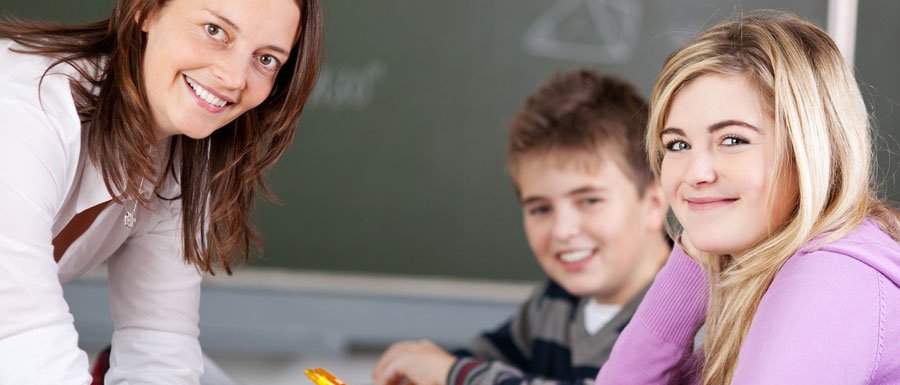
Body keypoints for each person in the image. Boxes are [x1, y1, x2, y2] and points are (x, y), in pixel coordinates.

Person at [0, 0, 322, 383]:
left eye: (266, 59)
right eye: (214, 30)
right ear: (146, 10)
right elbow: (21, 327)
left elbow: (158, 346)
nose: (235, 78)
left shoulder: (181, 155)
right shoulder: (25, 104)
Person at [594, 11, 900, 385]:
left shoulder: (831, 279)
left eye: (733, 140)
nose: (694, 173)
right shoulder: (763, 266)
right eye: (678, 144)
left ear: (811, 148)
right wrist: (692, 259)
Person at [372, 70, 672, 385]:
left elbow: (460, 373)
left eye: (589, 201)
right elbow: (477, 361)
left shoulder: (685, 318)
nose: (562, 230)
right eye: (540, 208)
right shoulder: (552, 305)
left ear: (653, 203)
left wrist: (454, 375)